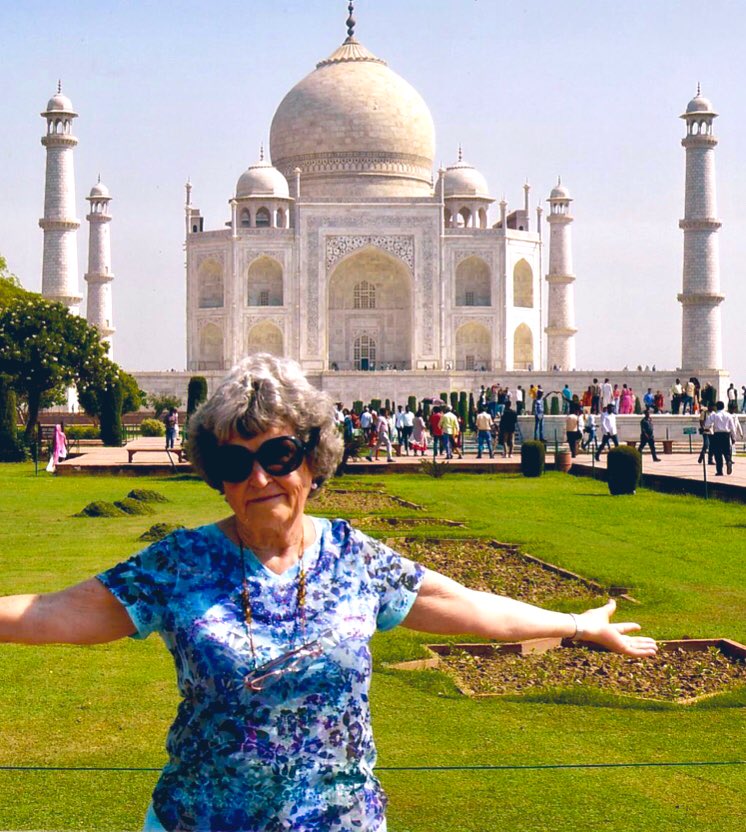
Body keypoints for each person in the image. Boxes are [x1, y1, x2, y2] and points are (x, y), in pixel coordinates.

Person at [0, 353, 657, 832]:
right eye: (236, 462)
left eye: (279, 455)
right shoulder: (183, 563)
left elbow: (467, 605)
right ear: (216, 476)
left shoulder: (354, 560)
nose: (260, 476)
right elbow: (59, 610)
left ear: (313, 460)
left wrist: (574, 624)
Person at [705, 401, 737, 476]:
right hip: (726, 435)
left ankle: (719, 471)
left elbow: (707, 424)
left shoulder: (714, 415)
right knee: (727, 451)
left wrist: (709, 428)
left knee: (718, 453)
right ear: (724, 407)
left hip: (717, 435)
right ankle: (728, 461)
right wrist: (733, 437)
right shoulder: (728, 415)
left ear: (716, 407)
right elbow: (733, 428)